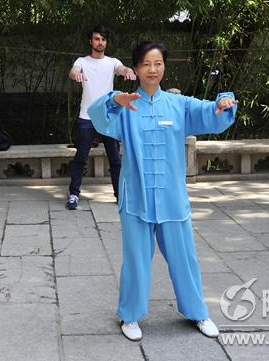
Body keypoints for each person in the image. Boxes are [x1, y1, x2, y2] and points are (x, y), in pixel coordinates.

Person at [88, 41, 237, 341]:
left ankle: (198, 312)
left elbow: (211, 110)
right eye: (146, 64)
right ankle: (129, 316)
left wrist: (224, 101)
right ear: (136, 68)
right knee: (136, 259)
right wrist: (116, 99)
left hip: (172, 198)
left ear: (164, 67)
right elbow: (99, 116)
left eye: (157, 63)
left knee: (185, 257)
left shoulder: (178, 105)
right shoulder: (127, 104)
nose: (152, 69)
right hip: (137, 198)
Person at [65, 25, 136, 210]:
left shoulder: (112, 62)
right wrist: (76, 75)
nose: (100, 42)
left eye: (103, 39)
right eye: (96, 39)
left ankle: (120, 195)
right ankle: (73, 194)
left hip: (108, 117)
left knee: (115, 159)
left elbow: (122, 68)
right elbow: (72, 71)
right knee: (80, 158)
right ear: (91, 41)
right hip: (86, 116)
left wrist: (128, 70)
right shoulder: (82, 61)